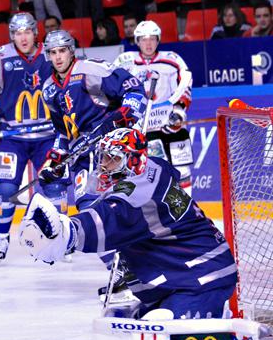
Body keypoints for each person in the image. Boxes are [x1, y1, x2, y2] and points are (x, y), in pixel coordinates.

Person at [19, 127, 237, 321]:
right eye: (103, 158)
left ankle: (215, 314)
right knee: (130, 323)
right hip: (181, 275)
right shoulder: (155, 166)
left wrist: (68, 233)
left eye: (113, 159)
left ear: (134, 160)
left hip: (201, 279)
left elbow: (107, 220)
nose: (104, 165)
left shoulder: (137, 198)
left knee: (159, 333)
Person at [0, 12, 67, 264]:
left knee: (55, 186)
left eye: (27, 31)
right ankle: (1, 238)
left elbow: (68, 86)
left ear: (35, 33)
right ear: (11, 35)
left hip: (48, 135)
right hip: (11, 135)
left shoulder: (51, 53)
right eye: (17, 33)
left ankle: (62, 238)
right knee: (5, 188)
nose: (23, 37)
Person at [39, 30, 146, 211]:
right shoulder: (48, 89)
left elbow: (134, 89)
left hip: (111, 149)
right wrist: (56, 158)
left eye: (62, 51)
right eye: (53, 52)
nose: (58, 57)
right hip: (81, 154)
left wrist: (123, 114)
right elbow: (63, 131)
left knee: (122, 204)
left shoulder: (90, 70)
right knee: (87, 208)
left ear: (71, 51)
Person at [114, 20, 194, 194]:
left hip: (171, 126)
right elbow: (114, 90)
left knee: (183, 171)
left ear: (158, 40)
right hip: (142, 129)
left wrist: (179, 111)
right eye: (143, 39)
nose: (148, 43)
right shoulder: (125, 62)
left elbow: (185, 84)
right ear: (137, 41)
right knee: (145, 173)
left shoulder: (172, 59)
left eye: (152, 38)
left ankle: (190, 212)